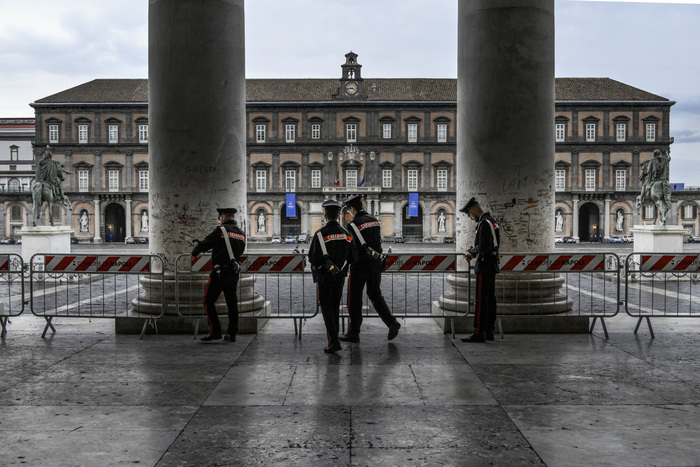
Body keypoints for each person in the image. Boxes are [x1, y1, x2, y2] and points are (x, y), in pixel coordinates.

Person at [340, 194, 401, 343]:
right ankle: (392, 322)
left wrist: (347, 264)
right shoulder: (374, 220)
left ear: (352, 208)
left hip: (359, 266)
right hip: (375, 264)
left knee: (354, 298)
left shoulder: (353, 224)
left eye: (349, 210)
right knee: (375, 294)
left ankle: (354, 331)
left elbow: (352, 248)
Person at [308, 199, 357, 353]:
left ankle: (333, 342)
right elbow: (354, 257)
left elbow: (313, 258)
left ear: (325, 215)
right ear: (338, 215)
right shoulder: (346, 233)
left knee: (327, 308)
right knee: (335, 307)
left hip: (324, 277)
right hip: (340, 277)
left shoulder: (320, 234)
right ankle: (334, 340)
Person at [191, 207, 246, 343]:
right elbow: (240, 251)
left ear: (224, 216)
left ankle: (215, 331)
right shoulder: (241, 233)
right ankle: (232, 334)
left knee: (208, 300)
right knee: (232, 303)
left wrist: (195, 251)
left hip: (220, 272)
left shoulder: (221, 230)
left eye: (220, 216)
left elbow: (206, 243)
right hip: (234, 272)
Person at [460, 197, 500, 343]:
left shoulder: (483, 223)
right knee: (490, 299)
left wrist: (473, 252)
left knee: (481, 301)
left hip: (484, 264)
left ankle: (479, 332)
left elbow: (484, 246)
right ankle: (489, 330)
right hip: (492, 264)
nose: (471, 218)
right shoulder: (492, 221)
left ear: (473, 210)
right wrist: (476, 251)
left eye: (470, 215)